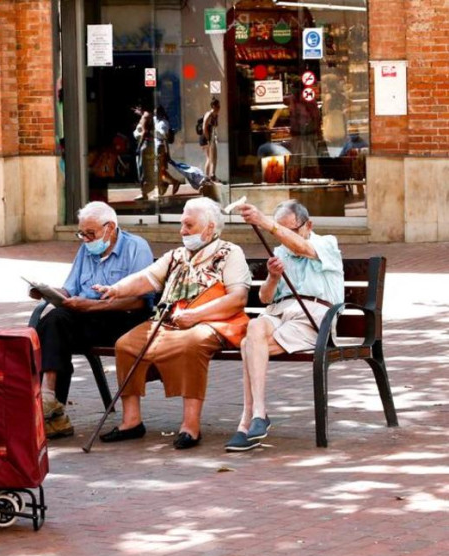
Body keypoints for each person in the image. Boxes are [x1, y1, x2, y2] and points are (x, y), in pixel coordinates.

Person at [93, 197, 251, 449]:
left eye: (188, 225)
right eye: (181, 225)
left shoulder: (230, 253)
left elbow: (238, 298)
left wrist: (196, 315)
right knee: (125, 345)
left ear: (209, 227)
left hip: (212, 321)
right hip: (169, 321)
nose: (182, 231)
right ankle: (131, 421)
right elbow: (147, 278)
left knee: (191, 344)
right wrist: (115, 289)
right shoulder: (176, 255)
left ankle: (190, 426)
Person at [224, 200, 343, 452]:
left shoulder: (326, 243)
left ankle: (247, 421)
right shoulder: (279, 252)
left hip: (313, 316)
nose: (284, 236)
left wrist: (263, 221)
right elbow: (266, 298)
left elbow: (302, 248)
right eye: (280, 229)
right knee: (254, 327)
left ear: (308, 225)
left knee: (248, 345)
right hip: (279, 313)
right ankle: (259, 413)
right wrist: (273, 277)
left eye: (290, 229)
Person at [32, 201, 153, 439]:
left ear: (110, 228)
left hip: (123, 318)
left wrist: (95, 305)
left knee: (56, 325)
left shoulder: (136, 247)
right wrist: (48, 292)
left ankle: (50, 405)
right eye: (82, 234)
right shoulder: (86, 249)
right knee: (49, 323)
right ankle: (49, 399)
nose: (86, 239)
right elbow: (70, 288)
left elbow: (141, 300)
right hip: (87, 315)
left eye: (90, 234)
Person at [154, 106, 181, 196]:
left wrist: (167, 153)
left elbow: (164, 136)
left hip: (160, 147)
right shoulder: (157, 121)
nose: (155, 114)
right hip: (157, 147)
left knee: (159, 170)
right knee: (161, 170)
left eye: (156, 112)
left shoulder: (163, 123)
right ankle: (171, 183)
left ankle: (162, 187)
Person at [200, 98, 221, 182]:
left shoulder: (216, 115)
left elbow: (215, 127)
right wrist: (208, 138)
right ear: (213, 106)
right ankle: (206, 177)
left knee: (214, 157)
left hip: (212, 138)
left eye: (219, 106)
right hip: (206, 138)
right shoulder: (209, 114)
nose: (219, 107)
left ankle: (212, 174)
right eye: (217, 106)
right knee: (209, 158)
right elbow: (204, 127)